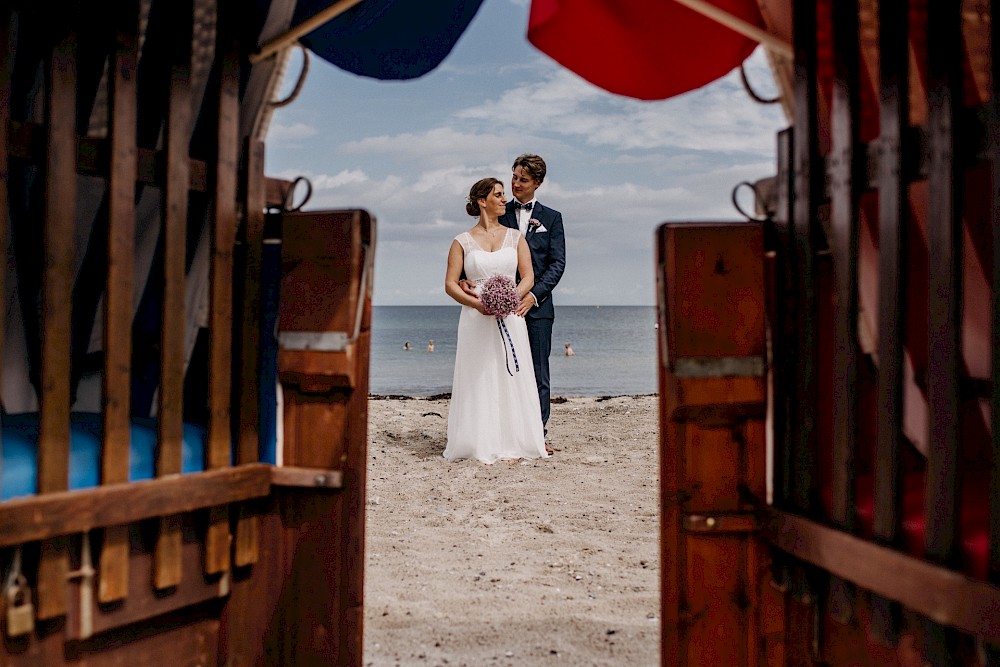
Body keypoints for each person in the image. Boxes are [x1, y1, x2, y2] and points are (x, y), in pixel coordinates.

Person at [464, 154, 566, 453]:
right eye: (514, 177)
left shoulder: (552, 218)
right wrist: (461, 279)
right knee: (497, 369)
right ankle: (501, 432)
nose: (515, 184)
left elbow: (557, 264)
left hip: (537, 307)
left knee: (537, 370)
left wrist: (533, 296)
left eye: (522, 179)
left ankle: (538, 433)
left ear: (537, 183)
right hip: (497, 307)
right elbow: (475, 246)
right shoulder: (497, 210)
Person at [443, 177, 548, 463]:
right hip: (475, 318)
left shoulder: (515, 237)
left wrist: (509, 297)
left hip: (510, 315)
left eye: (503, 195)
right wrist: (477, 304)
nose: (504, 200)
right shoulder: (461, 241)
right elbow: (451, 284)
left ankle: (514, 439)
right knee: (479, 375)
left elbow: (528, 276)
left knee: (510, 374)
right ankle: (478, 440)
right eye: (499, 195)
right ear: (482, 201)